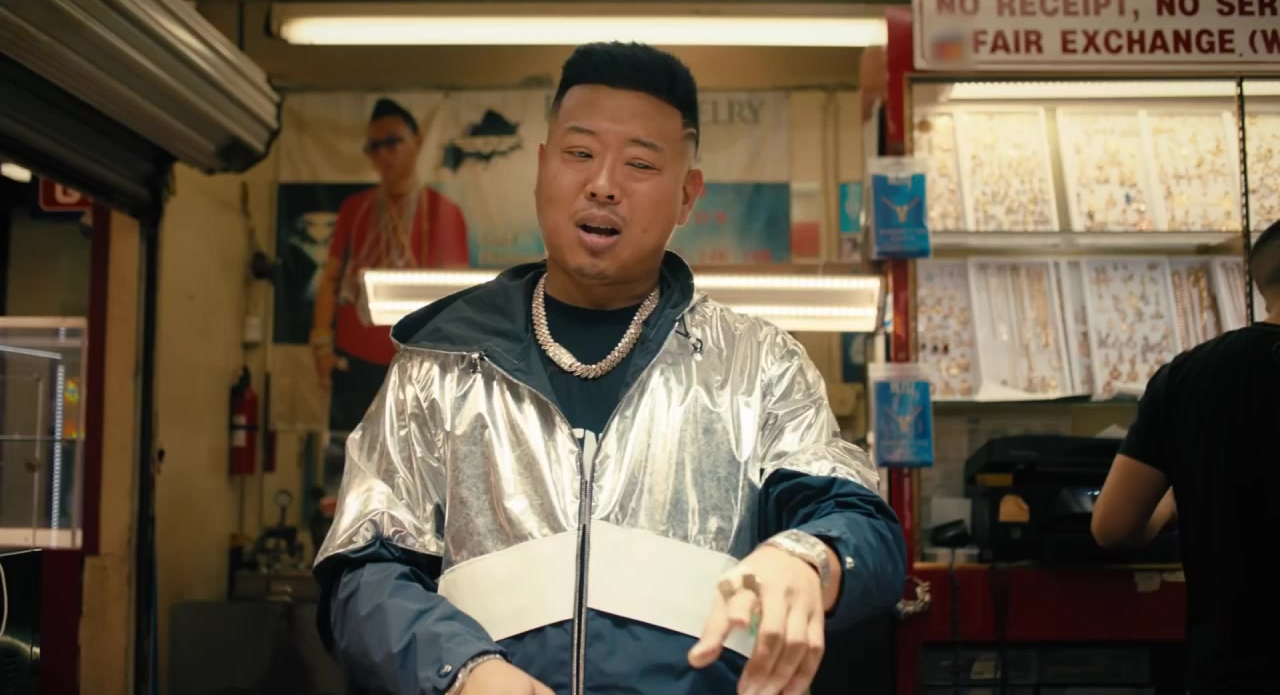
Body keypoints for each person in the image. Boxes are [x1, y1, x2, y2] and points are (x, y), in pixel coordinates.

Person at [313, 42, 906, 695]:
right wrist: (461, 671)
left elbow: (859, 523)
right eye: (579, 154)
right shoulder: (440, 366)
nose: (603, 184)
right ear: (541, 169)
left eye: (640, 164)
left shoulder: (759, 366)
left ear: (687, 196)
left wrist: (810, 558)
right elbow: (363, 574)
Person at [1092, 219, 1280, 694]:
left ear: (1263, 285)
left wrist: (1171, 505)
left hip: (1230, 671)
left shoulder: (1188, 375)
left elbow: (1112, 527)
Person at [310, 97, 471, 433]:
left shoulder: (443, 212)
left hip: (420, 363)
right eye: (374, 147)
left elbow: (459, 298)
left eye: (392, 142)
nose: (383, 154)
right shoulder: (354, 209)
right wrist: (322, 345)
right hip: (355, 361)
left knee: (418, 460)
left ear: (418, 141)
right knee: (351, 455)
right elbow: (330, 280)